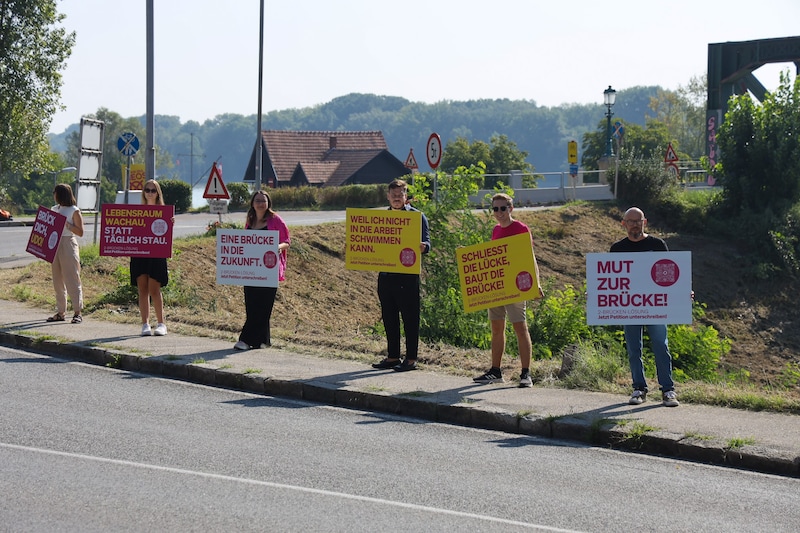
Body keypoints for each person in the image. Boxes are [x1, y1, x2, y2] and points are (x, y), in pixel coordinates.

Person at [610, 206, 679, 407]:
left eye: (638, 220)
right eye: (630, 221)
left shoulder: (657, 244)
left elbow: (671, 274)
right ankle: (639, 388)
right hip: (629, 307)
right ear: (623, 224)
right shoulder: (617, 249)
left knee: (660, 346)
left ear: (644, 222)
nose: (634, 224)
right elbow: (611, 279)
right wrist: (597, 294)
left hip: (655, 306)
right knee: (633, 349)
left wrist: (683, 292)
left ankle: (668, 390)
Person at [473, 193, 542, 388]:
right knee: (496, 329)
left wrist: (536, 283)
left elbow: (530, 257)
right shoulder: (495, 230)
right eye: (495, 209)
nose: (499, 213)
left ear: (510, 209)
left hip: (517, 286)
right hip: (498, 287)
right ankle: (495, 371)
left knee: (520, 328)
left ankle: (526, 373)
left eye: (503, 208)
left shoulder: (521, 228)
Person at [371, 179, 431, 372]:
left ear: (406, 197)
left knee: (410, 318)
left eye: (400, 195)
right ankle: (393, 356)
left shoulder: (417, 217)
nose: (397, 198)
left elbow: (428, 242)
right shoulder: (379, 218)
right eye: (393, 195)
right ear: (388, 196)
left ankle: (411, 358)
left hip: (407, 276)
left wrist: (424, 247)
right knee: (389, 317)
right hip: (386, 276)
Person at [234, 190, 291, 350]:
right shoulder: (250, 221)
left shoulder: (275, 220)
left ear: (268, 203)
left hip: (269, 269)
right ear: (252, 203)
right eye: (257, 200)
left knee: (264, 305)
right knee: (251, 305)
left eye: (263, 201)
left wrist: (278, 247)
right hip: (251, 270)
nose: (260, 203)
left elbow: (286, 240)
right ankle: (262, 341)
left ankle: (245, 339)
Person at [131, 180, 171, 336]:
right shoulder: (136, 212)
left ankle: (161, 323)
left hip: (157, 253)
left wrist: (171, 223)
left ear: (158, 193)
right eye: (147, 190)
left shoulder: (165, 212)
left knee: (155, 289)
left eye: (153, 190)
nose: (149, 192)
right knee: (142, 289)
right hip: (139, 253)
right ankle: (145, 324)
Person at [48, 184, 84, 324]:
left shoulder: (74, 210)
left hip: (68, 242)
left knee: (72, 277)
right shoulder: (54, 209)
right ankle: (61, 311)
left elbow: (80, 232)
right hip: (54, 242)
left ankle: (77, 312)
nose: (53, 195)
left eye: (54, 192)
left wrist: (67, 225)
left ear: (61, 194)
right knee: (57, 279)